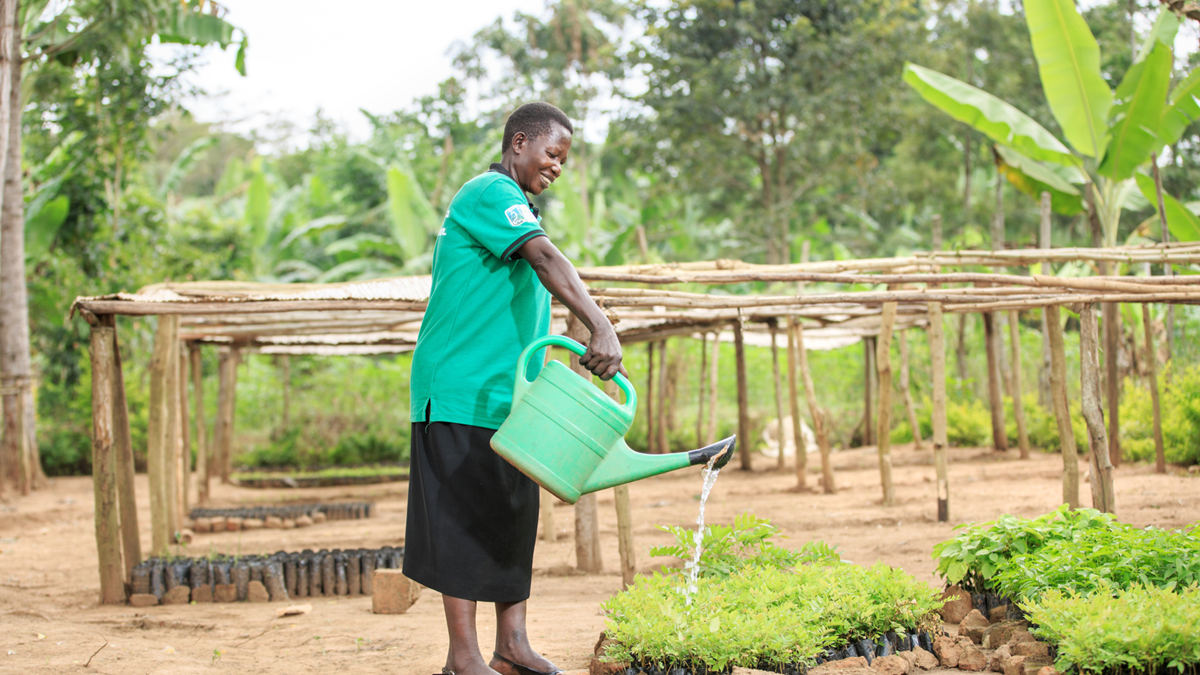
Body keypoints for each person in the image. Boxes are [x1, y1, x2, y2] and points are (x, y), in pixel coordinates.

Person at [404, 101, 624, 675]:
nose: (557, 168)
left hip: (509, 395)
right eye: (553, 154)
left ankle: (512, 645)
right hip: (455, 388)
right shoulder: (488, 193)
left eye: (564, 160)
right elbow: (546, 257)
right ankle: (463, 657)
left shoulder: (518, 206)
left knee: (510, 514)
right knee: (460, 518)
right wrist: (599, 323)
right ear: (520, 142)